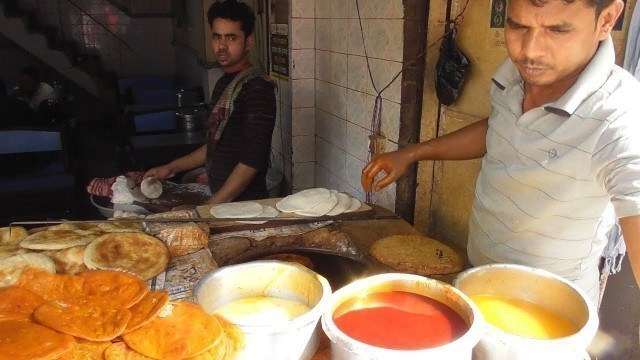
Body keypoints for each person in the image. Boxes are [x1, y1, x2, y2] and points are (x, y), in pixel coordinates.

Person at [361, 0, 640, 306]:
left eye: (558, 29)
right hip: (477, 282)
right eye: (518, 25)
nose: (530, 50)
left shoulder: (620, 117)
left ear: (607, 19)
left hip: (544, 314)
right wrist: (412, 153)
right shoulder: (514, 76)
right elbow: (500, 129)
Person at [144, 0, 276, 204]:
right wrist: (171, 168)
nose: (222, 46)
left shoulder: (257, 89)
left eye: (231, 38)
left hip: (245, 207)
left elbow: (251, 161)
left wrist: (211, 207)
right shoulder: (225, 82)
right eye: (217, 37)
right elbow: (214, 145)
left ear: (249, 42)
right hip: (224, 203)